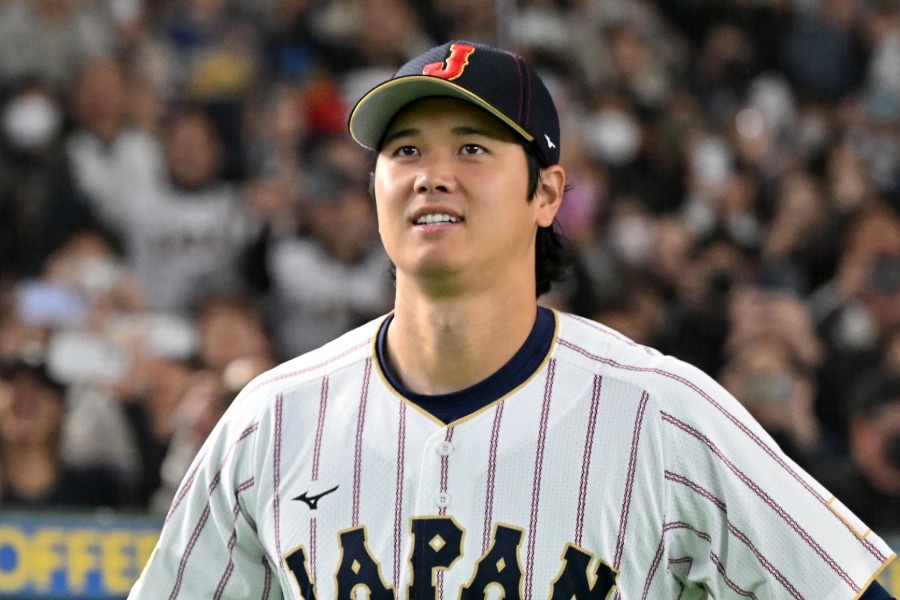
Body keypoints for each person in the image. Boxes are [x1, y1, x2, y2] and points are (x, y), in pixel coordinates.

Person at [128, 41, 895, 599]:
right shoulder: (272, 420)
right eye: (404, 150)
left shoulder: (663, 413)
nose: (432, 174)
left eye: (471, 146)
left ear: (548, 193)